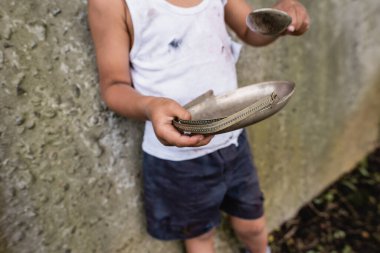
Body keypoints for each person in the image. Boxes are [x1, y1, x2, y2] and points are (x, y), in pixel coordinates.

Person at [87, 0, 310, 252]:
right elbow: (114, 86)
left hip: (233, 142)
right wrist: (151, 106)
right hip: (179, 161)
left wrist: (281, 19)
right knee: (201, 238)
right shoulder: (112, 4)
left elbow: (251, 31)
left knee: (254, 225)